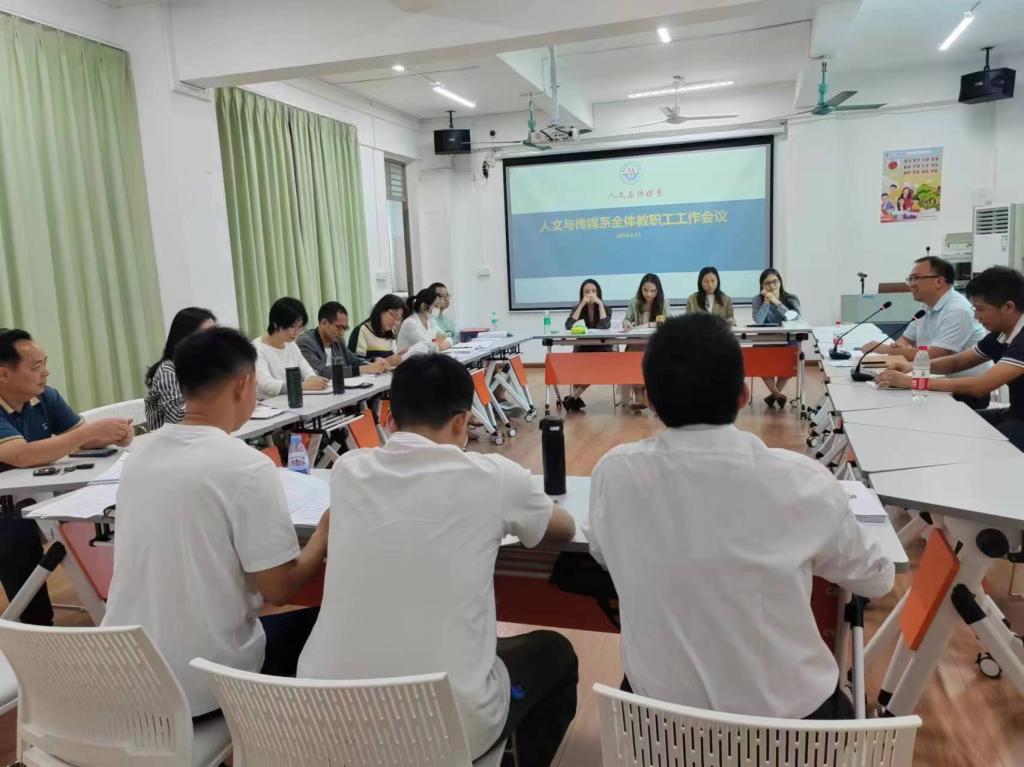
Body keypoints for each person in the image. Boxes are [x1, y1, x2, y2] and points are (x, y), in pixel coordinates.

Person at [585, 314, 894, 720]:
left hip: (657, 725)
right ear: (744, 394)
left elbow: (602, 552)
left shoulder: (615, 472)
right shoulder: (803, 481)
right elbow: (877, 580)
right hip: (792, 729)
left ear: (650, 400)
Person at [299, 354, 578, 765]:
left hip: (320, 720)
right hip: (445, 730)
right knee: (554, 654)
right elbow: (565, 529)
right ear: (463, 421)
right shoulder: (494, 477)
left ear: (389, 416)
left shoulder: (347, 470)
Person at [102, 327, 330, 717]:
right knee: (325, 624)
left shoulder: (139, 454)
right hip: (205, 687)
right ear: (244, 384)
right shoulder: (246, 466)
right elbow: (279, 589)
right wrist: (323, 534)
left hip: (125, 674)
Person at [0, 328, 133, 626]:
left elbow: (80, 438)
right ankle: (37, 627)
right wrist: (87, 433)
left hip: (31, 496)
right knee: (16, 536)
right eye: (36, 367)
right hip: (6, 507)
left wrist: (114, 433)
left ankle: (114, 601)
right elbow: (21, 455)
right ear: (3, 374)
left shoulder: (44, 397)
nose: (45, 372)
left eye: (44, 363)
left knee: (98, 513)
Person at [877, 266, 1024, 451]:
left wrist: (913, 382)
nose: (976, 316)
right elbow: (957, 362)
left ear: (1008, 307)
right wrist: (912, 366)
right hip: (1015, 413)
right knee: (948, 424)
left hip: (1020, 421)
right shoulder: (1001, 333)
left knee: (981, 447)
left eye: (980, 309)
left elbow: (980, 386)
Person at [861, 255, 989, 407]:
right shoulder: (926, 306)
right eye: (910, 279)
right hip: (932, 380)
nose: (911, 285)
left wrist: (884, 349)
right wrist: (903, 350)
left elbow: (935, 355)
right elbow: (905, 340)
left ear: (939, 281)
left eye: (916, 278)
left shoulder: (958, 310)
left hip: (961, 392)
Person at [144, 307, 217, 431]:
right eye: (206, 334)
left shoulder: (206, 366)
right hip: (172, 439)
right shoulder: (168, 371)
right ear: (185, 338)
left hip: (202, 433)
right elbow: (176, 417)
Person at [253, 297, 329, 398]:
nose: (296, 332)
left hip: (292, 399)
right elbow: (266, 385)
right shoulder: (256, 348)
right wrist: (301, 386)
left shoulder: (291, 345)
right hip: (268, 403)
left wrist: (314, 379)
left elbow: (306, 370)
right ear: (276, 324)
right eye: (293, 326)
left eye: (300, 326)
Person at [751, 268, 801, 409]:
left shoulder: (791, 298)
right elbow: (759, 320)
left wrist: (777, 302)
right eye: (767, 283)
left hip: (787, 339)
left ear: (780, 282)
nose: (772, 286)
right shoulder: (757, 300)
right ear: (762, 286)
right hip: (766, 339)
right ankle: (777, 395)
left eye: (775, 281)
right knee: (759, 359)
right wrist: (767, 302)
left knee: (790, 358)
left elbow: (796, 318)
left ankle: (774, 395)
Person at [297, 301, 387, 379]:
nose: (342, 333)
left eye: (344, 328)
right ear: (324, 323)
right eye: (339, 327)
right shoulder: (305, 342)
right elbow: (321, 372)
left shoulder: (338, 341)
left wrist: (374, 361)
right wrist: (363, 369)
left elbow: (355, 361)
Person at [563, 279, 612, 412]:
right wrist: (581, 305)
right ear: (582, 294)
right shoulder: (577, 308)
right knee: (576, 365)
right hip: (582, 348)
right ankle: (574, 399)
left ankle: (573, 398)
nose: (591, 294)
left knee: (593, 368)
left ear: (598, 293)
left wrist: (600, 304)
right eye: (587, 291)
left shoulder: (606, 308)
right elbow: (568, 326)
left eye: (594, 291)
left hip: (601, 349)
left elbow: (604, 326)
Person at [620, 274, 666, 411]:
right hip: (637, 341)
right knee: (634, 355)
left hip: (656, 343)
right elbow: (627, 319)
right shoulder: (634, 301)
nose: (648, 294)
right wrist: (627, 323)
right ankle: (639, 397)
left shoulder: (664, 302)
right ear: (641, 289)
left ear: (658, 291)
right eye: (645, 290)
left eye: (652, 291)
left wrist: (650, 325)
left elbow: (667, 321)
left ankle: (651, 397)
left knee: (650, 356)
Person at [348, 293, 405, 366]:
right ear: (381, 310)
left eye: (399, 319)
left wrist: (399, 356)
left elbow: (391, 357)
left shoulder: (391, 332)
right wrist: (385, 361)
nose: (395, 322)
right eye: (393, 315)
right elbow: (353, 364)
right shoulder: (362, 330)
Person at [397, 287, 452, 354]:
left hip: (424, 358)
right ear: (423, 306)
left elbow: (446, 336)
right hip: (408, 359)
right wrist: (438, 344)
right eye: (436, 306)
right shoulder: (410, 324)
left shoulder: (431, 321)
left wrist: (443, 343)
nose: (438, 309)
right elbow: (426, 347)